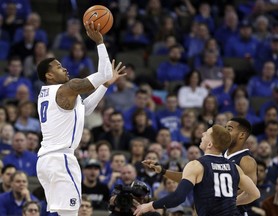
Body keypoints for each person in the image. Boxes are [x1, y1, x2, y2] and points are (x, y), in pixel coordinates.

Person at [36, 22, 125, 216]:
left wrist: (105, 86)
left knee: (62, 212)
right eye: (59, 67)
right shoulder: (68, 88)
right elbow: (104, 73)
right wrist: (100, 43)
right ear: (49, 75)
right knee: (71, 212)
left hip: (45, 160)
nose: (65, 68)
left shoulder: (48, 94)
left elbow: (84, 110)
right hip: (61, 158)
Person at [134, 125, 260, 216]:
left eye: (206, 133)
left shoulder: (196, 165)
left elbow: (178, 197)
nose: (202, 134)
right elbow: (255, 194)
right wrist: (230, 203)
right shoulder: (235, 168)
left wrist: (149, 206)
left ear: (210, 144)